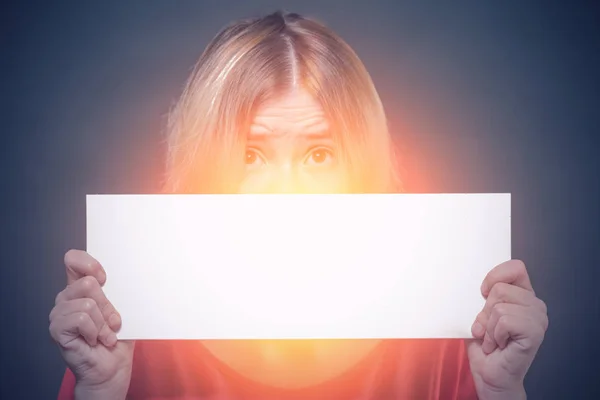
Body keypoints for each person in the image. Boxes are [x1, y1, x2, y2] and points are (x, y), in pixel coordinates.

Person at [49, 11, 548, 400]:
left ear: (361, 161)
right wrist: (100, 391)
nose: (286, 187)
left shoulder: (446, 331)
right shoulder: (133, 328)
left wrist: (502, 392)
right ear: (204, 160)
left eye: (319, 153)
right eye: (252, 154)